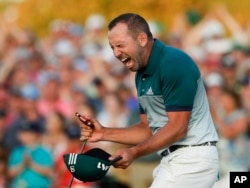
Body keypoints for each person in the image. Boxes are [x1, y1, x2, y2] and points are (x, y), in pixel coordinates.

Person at [79, 13, 219, 188]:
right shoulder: (141, 74)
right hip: (174, 161)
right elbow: (148, 129)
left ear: (142, 39)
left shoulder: (173, 63)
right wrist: (104, 133)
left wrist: (134, 152)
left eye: (120, 45)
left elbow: (178, 128)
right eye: (112, 47)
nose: (115, 53)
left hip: (192, 161)